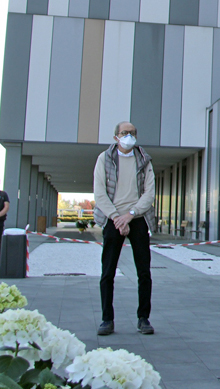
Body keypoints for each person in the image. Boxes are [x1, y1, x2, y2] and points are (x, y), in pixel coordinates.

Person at [93, 121, 156, 337]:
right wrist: (117, 218)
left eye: (132, 133)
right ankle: (106, 319)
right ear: (116, 137)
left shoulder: (144, 160)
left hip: (137, 218)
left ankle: (143, 318)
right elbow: (99, 192)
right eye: (124, 133)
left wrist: (130, 215)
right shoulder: (104, 159)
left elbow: (149, 193)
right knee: (107, 272)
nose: (128, 136)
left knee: (144, 272)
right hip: (113, 219)